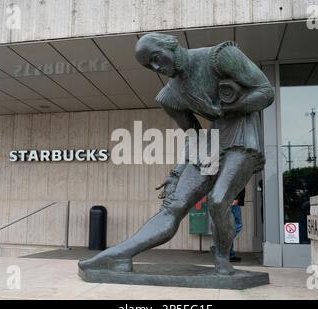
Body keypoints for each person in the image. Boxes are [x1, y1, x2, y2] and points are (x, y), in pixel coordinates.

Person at [78, 33, 274, 275]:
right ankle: (119, 254)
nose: (157, 67)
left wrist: (227, 108)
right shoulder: (170, 96)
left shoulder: (220, 57)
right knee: (172, 207)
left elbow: (265, 91)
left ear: (171, 45)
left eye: (156, 58)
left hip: (242, 134)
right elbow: (193, 134)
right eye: (150, 66)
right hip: (210, 142)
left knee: (218, 200)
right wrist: (177, 172)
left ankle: (223, 259)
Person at [230, 188, 245, 262]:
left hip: (232, 201)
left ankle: (230, 254)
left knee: (230, 227)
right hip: (233, 202)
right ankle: (221, 242)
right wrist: (236, 199)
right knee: (238, 225)